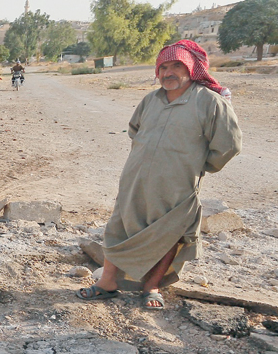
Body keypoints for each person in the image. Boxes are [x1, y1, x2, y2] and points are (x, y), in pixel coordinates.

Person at [77, 40, 241, 309]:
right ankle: (107, 283)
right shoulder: (151, 100)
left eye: (177, 65)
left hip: (177, 185)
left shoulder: (210, 102)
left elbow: (229, 145)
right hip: (135, 180)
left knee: (169, 234)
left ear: (191, 68)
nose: (169, 72)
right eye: (163, 67)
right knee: (119, 228)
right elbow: (135, 130)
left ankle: (151, 286)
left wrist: (197, 165)